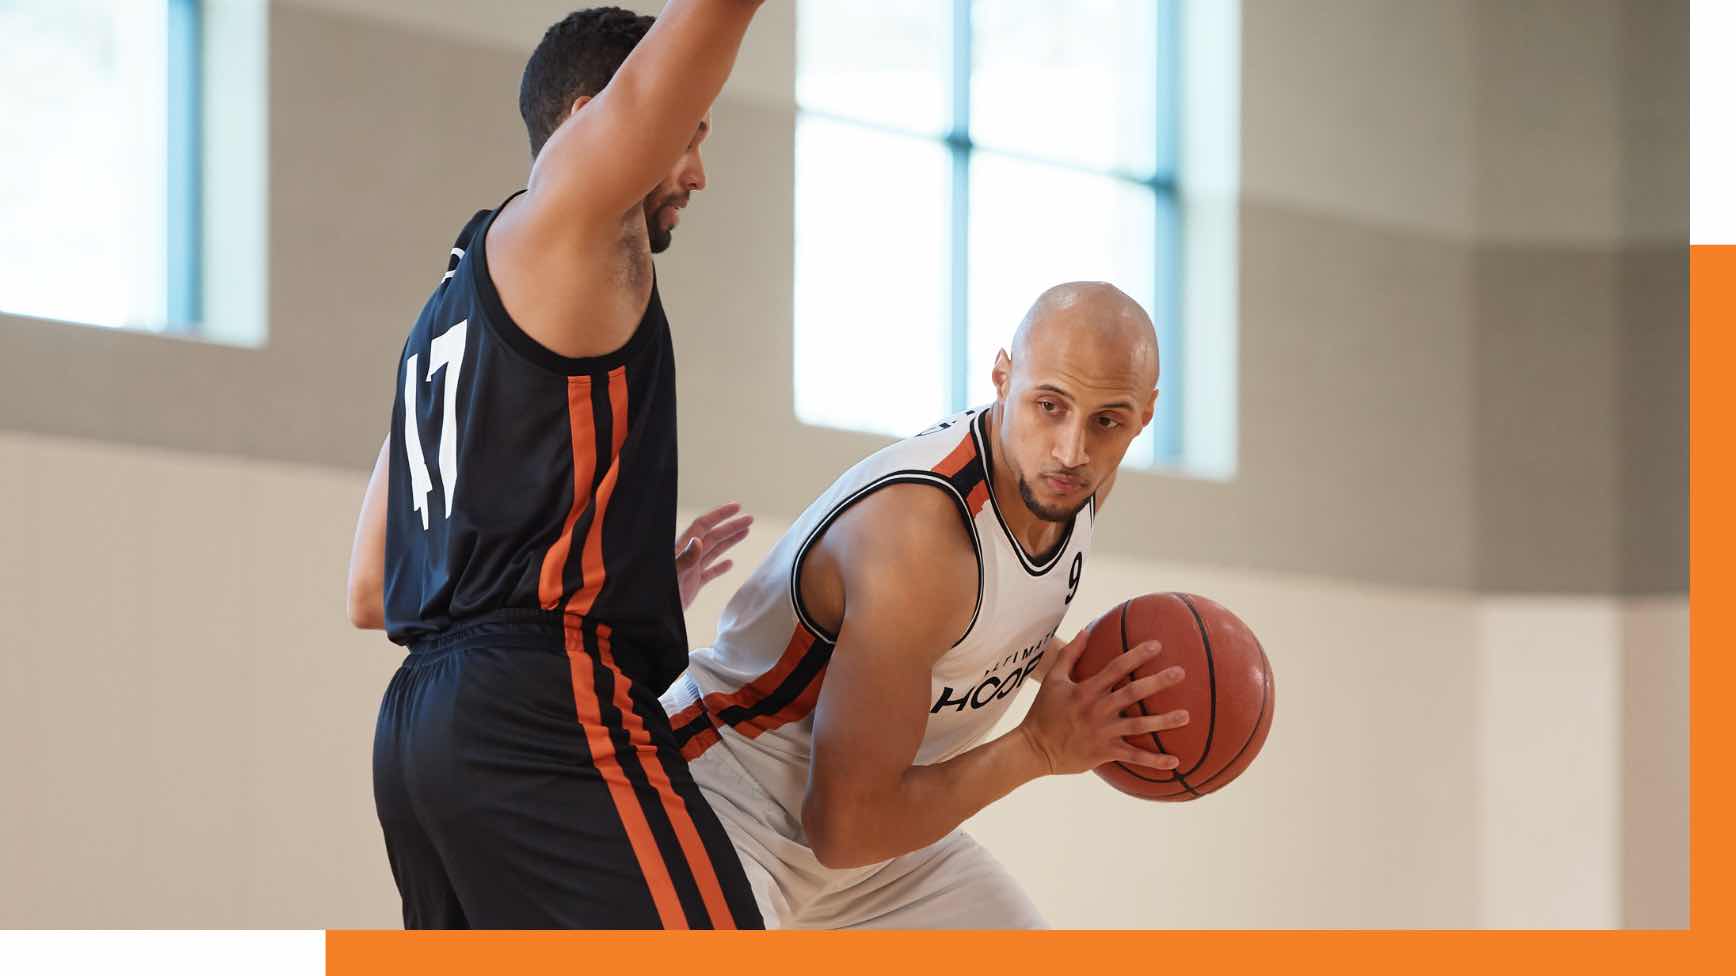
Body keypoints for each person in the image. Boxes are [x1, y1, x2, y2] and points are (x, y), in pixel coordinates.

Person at [344, 3, 767, 929]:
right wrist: (560, 637)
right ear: (589, 122)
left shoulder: (442, 314)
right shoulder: (569, 214)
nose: (698, 172)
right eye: (686, 134)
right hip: (540, 713)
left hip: (419, 732)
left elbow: (373, 589)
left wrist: (609, 574)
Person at [659, 282, 1189, 928]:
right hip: (719, 804)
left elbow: (971, 624)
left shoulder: (1071, 486)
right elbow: (844, 827)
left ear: (1145, 414)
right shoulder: (920, 536)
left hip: (876, 850)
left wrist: (1069, 670)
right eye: (1049, 405)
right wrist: (1040, 748)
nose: (1072, 450)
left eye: (1108, 420)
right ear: (1002, 376)